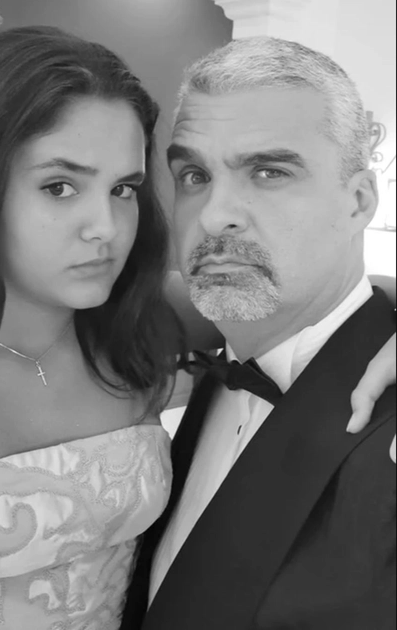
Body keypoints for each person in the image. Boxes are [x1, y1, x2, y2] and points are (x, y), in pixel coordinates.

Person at [0, 27, 394, 630]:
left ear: (360, 200)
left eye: (124, 188)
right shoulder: (163, 316)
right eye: (194, 176)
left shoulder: (136, 324)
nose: (105, 226)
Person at [121, 37, 397, 630]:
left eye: (269, 172)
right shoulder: (193, 342)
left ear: (358, 201)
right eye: (194, 174)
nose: (215, 214)